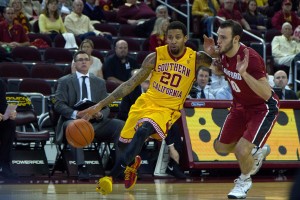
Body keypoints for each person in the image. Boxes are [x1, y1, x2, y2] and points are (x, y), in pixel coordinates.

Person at [79, 21, 213, 195]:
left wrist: (215, 53)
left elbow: (221, 66)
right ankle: (133, 164)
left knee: (143, 131)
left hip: (168, 109)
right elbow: (130, 84)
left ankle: (110, 177)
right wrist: (99, 105)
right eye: (170, 37)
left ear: (185, 39)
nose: (173, 41)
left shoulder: (197, 58)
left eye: (177, 37)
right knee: (122, 143)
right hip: (146, 102)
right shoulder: (155, 57)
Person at [204, 19, 280, 199]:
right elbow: (225, 71)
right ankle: (255, 154)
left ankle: (244, 181)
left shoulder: (251, 58)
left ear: (236, 39)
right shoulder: (222, 52)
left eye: (223, 37)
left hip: (262, 108)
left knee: (241, 150)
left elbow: (266, 93)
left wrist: (244, 73)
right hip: (240, 106)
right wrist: (213, 59)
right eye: (218, 37)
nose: (218, 41)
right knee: (220, 147)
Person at [54, 50, 124, 180]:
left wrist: (100, 115)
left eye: (86, 59)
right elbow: (58, 104)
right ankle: (81, 167)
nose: (83, 61)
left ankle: (120, 166)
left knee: (120, 125)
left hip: (96, 122)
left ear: (90, 62)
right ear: (74, 64)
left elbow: (106, 106)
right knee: (77, 126)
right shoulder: (64, 81)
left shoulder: (99, 82)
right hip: (73, 121)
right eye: (80, 60)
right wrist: (76, 114)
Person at [117, 70, 187, 179]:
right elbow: (122, 114)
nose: (148, 83)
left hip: (153, 126)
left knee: (173, 126)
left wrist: (171, 146)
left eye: (150, 80)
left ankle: (173, 165)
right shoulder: (130, 92)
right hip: (135, 126)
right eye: (145, 81)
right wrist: (140, 124)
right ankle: (129, 167)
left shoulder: (160, 93)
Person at [271, 22, 300, 87]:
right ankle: (290, 82)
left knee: (296, 58)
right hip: (280, 59)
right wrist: (287, 56)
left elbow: (299, 53)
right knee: (294, 58)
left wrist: (298, 42)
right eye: (285, 29)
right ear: (281, 30)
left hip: (292, 59)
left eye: (289, 29)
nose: (287, 31)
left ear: (292, 31)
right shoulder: (277, 38)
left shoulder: (293, 41)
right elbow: (274, 52)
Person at [0, 79, 18, 179]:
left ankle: (4, 165)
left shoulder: (0, 83)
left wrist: (11, 113)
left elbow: (2, 106)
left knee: (10, 124)